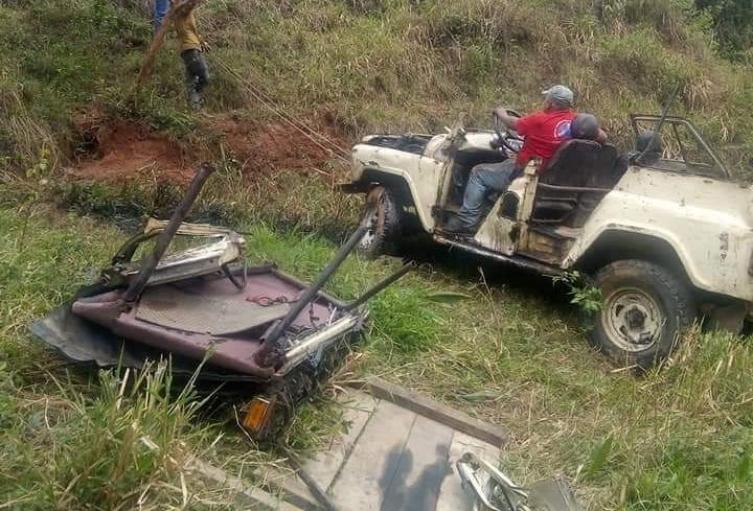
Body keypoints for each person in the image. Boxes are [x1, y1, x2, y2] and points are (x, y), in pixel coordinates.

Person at [444, 85, 606, 235]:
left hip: (526, 175)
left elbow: (511, 123)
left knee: (478, 173)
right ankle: (490, 207)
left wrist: (500, 112)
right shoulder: (577, 122)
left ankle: (467, 221)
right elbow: (602, 136)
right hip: (555, 179)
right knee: (505, 162)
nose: (545, 102)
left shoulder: (540, 120)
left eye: (546, 99)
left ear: (550, 103)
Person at [172, 1, 211, 110]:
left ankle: (195, 110)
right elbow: (188, 5)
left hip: (192, 49)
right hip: (190, 50)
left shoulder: (188, 15)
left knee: (191, 82)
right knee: (204, 77)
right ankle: (197, 97)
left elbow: (194, 32)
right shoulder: (181, 13)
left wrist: (203, 43)